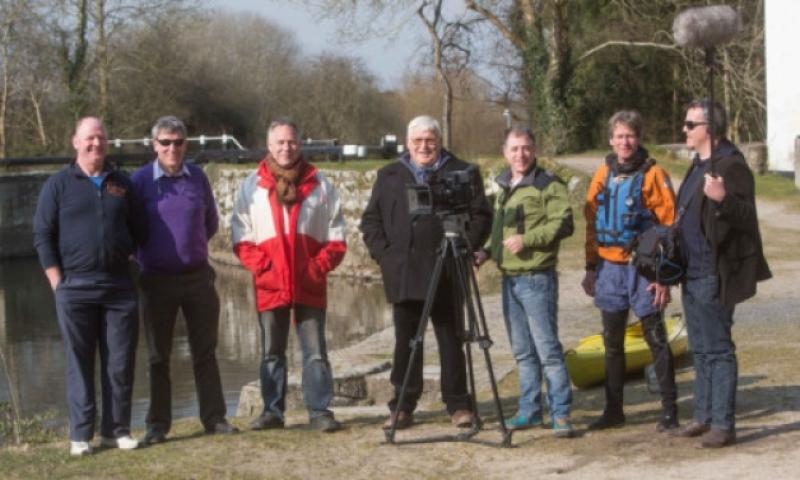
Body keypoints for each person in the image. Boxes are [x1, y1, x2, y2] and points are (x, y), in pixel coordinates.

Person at [360, 115, 492, 430]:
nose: (424, 146)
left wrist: (464, 246)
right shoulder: (389, 174)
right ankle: (403, 406)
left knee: (451, 340)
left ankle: (459, 404)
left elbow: (482, 215)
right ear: (408, 143)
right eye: (418, 141)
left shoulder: (463, 171)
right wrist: (385, 255)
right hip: (404, 271)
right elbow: (371, 220)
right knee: (407, 342)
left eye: (430, 140)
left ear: (439, 141)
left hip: (447, 268)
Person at [33, 117, 146, 456]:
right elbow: (42, 235)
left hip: (118, 288)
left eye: (100, 138)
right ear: (75, 142)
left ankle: (116, 431)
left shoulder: (122, 184)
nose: (95, 144)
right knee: (79, 362)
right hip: (74, 288)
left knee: (120, 361)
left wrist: (121, 251)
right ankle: (80, 435)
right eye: (89, 138)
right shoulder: (58, 185)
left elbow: (140, 229)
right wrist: (57, 281)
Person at [231, 118, 346, 433]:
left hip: (309, 282)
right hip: (271, 284)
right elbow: (241, 236)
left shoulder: (320, 185)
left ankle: (320, 411)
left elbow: (337, 238)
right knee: (271, 352)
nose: (286, 147)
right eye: (279, 142)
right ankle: (272, 411)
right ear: (269, 146)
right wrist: (265, 268)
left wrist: (315, 268)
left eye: (291, 142)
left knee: (316, 353)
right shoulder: (251, 186)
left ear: (300, 144)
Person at [131, 116, 238, 444]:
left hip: (197, 278)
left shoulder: (198, 179)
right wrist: (153, 256)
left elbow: (210, 223)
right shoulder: (139, 182)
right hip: (157, 279)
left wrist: (189, 251)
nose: (172, 148)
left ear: (185, 144)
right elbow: (130, 231)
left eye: (178, 142)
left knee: (205, 351)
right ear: (154, 145)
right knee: (158, 356)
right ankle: (157, 425)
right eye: (165, 142)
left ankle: (215, 418)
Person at [671, 100, 771, 448]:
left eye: (689, 124)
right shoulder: (698, 165)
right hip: (691, 271)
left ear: (707, 129)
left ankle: (723, 425)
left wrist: (722, 197)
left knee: (718, 349)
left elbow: (745, 216)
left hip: (714, 271)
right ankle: (703, 415)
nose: (684, 130)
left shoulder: (731, 166)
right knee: (699, 349)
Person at [581, 110, 680, 432]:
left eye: (631, 136)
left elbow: (670, 227)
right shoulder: (602, 174)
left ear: (639, 139)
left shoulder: (654, 175)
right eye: (620, 136)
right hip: (609, 268)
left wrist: (664, 277)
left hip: (643, 269)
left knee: (656, 339)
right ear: (611, 140)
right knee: (612, 343)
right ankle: (614, 410)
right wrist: (590, 268)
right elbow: (592, 225)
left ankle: (669, 411)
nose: (625, 142)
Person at [474, 126, 575, 437]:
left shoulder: (548, 185)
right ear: (505, 152)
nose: (521, 154)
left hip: (536, 279)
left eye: (526, 148)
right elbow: (500, 233)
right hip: (509, 280)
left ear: (535, 150)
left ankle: (561, 415)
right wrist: (485, 253)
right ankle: (529, 411)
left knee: (547, 350)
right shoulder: (504, 185)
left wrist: (528, 239)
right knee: (522, 351)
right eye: (515, 149)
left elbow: (565, 224)